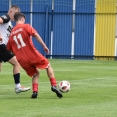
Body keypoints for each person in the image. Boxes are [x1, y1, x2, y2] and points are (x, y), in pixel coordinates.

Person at [7, 12, 63, 98]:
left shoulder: (11, 34)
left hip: (22, 60)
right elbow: (35, 34)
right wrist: (44, 46)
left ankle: (35, 92)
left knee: (35, 74)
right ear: (22, 19)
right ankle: (54, 85)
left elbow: (10, 49)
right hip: (32, 55)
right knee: (48, 65)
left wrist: (19, 55)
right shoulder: (26, 26)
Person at [0, 5, 30, 93]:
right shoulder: (7, 17)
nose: (16, 16)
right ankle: (18, 87)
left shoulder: (9, 24)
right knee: (16, 63)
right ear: (11, 11)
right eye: (15, 13)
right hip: (0, 46)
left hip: (2, 46)